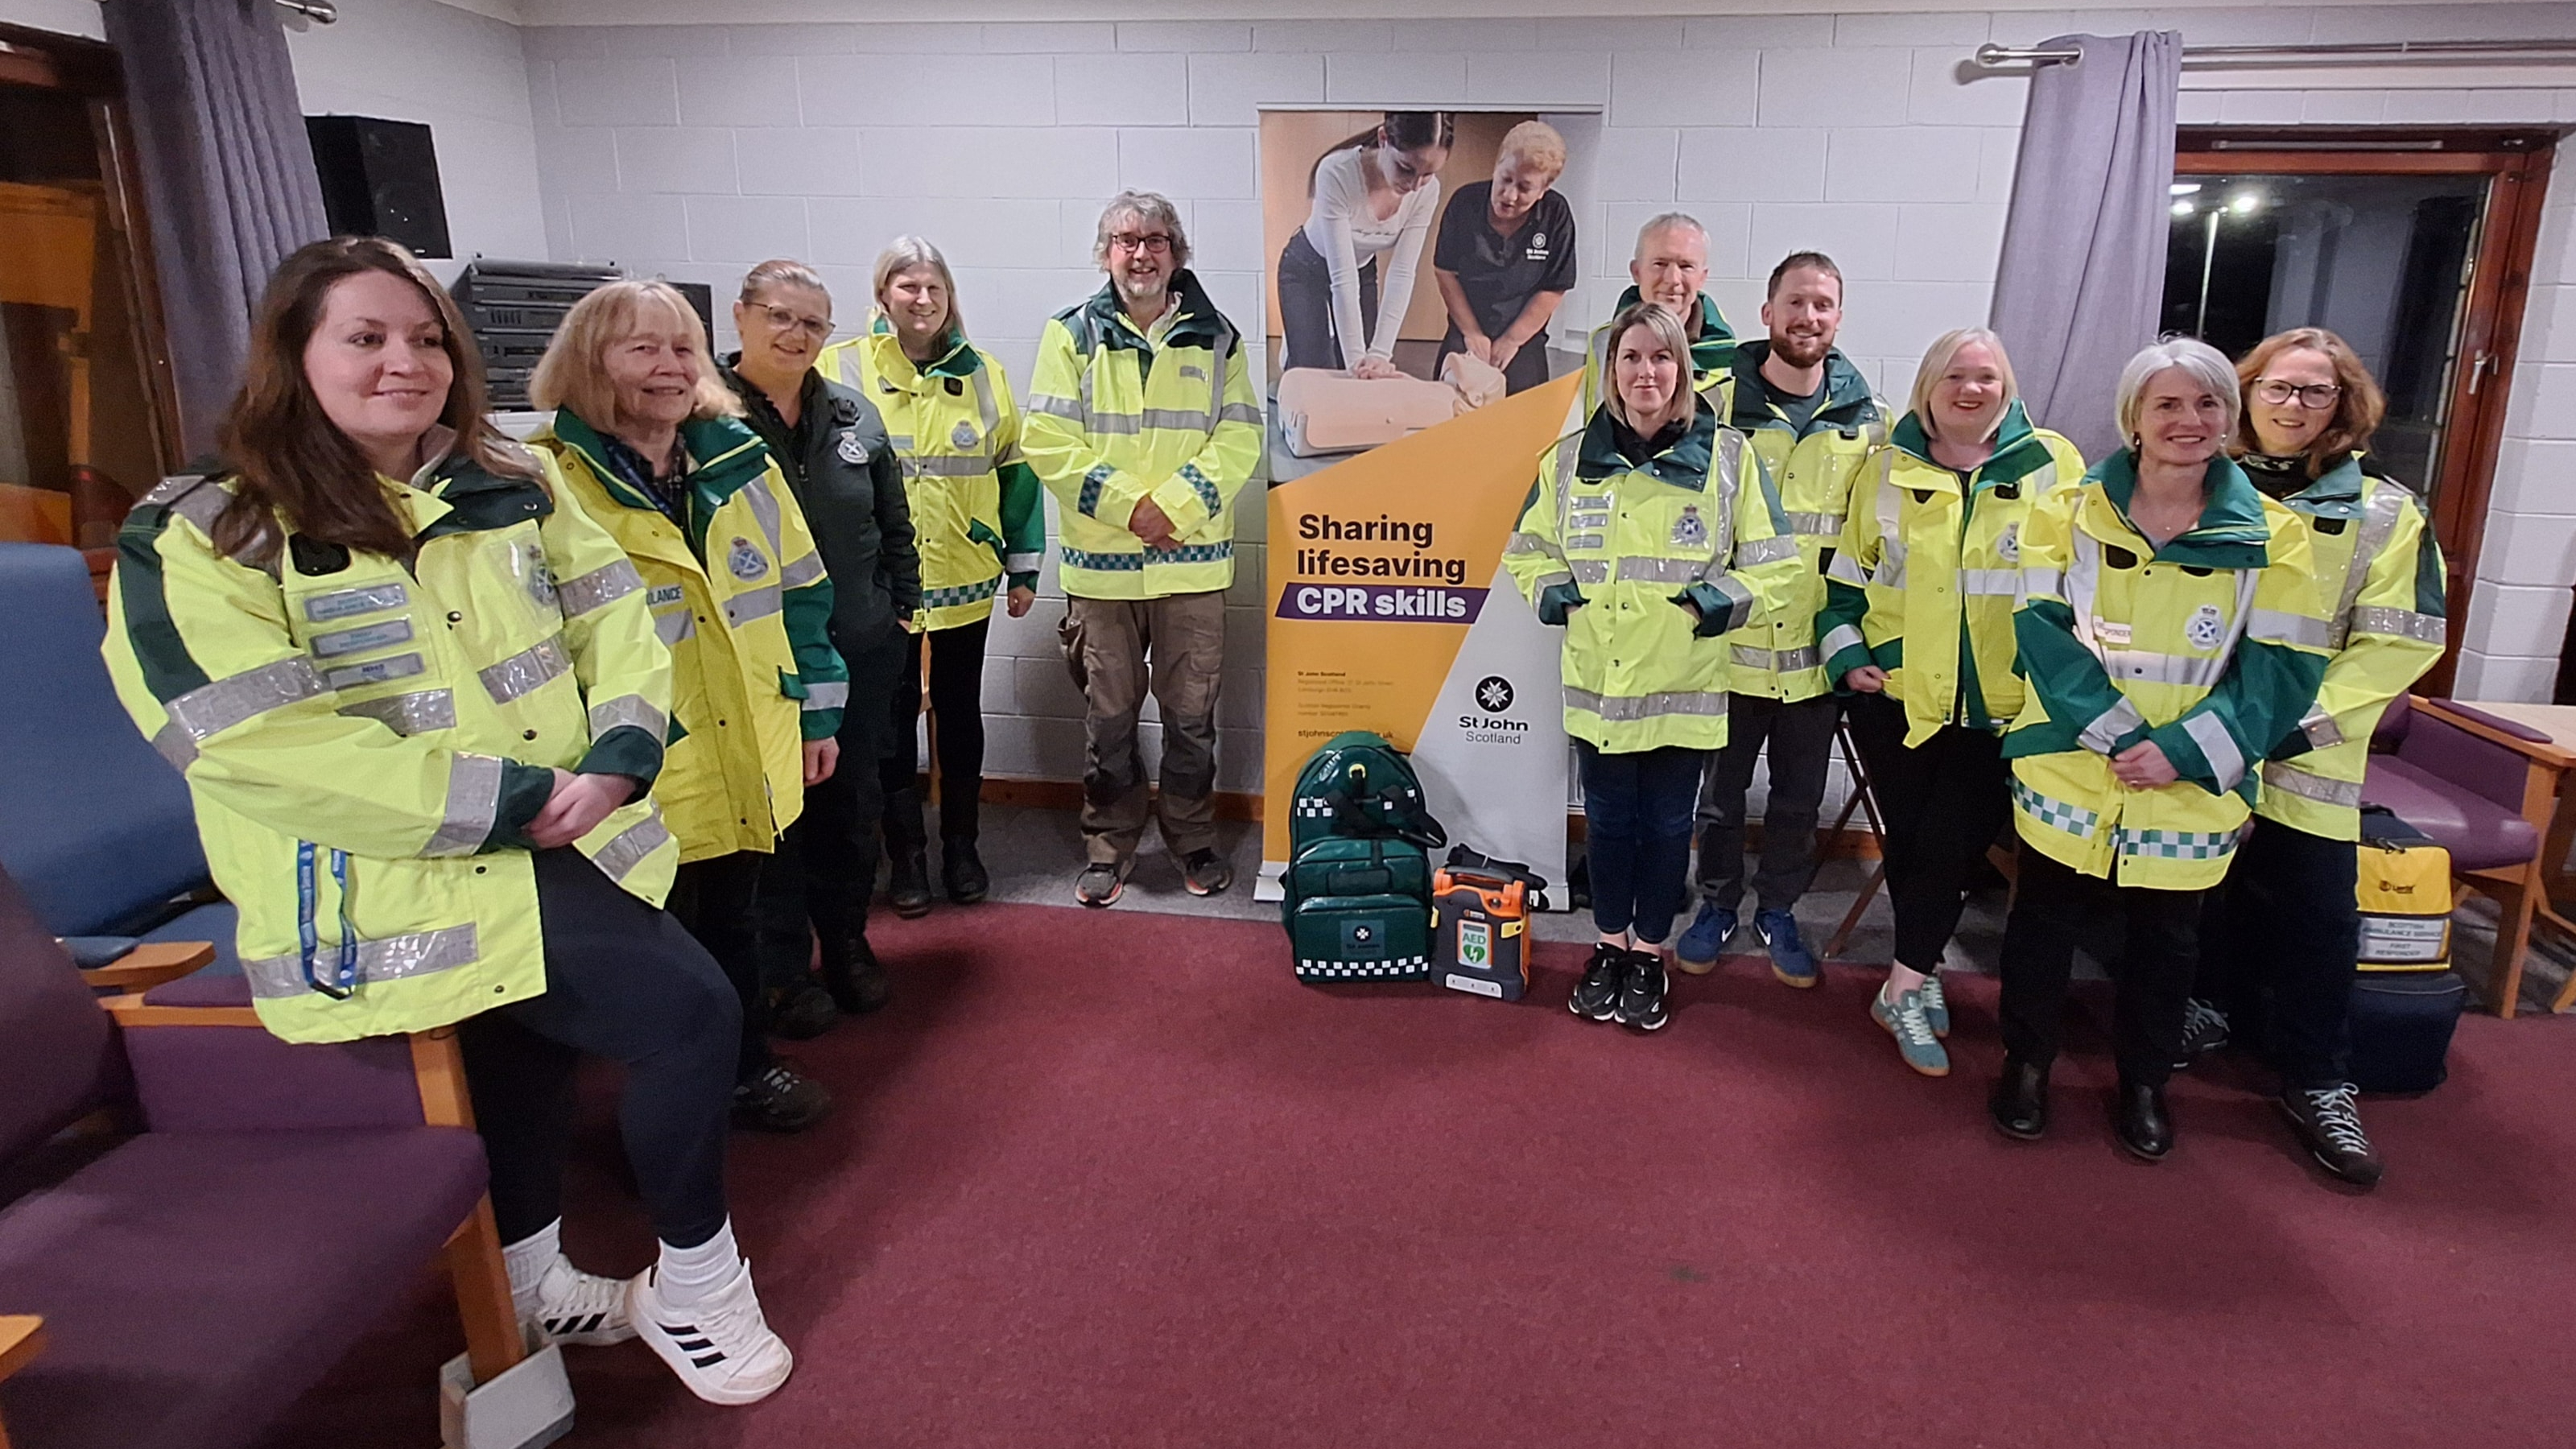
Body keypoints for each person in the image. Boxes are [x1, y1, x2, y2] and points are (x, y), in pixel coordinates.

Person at [100, 236, 792, 1404]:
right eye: (364, 338)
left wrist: (624, 752)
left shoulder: (508, 476)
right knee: (688, 1014)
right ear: (292, 355)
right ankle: (701, 1287)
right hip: (385, 876)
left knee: (525, 1056)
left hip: (565, 832)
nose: (403, 363)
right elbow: (253, 744)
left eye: (426, 340)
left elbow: (615, 617)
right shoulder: (202, 530)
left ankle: (529, 1285)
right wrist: (510, 803)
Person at [1990, 337, 2330, 1162]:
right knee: (2040, 924)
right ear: (2133, 420)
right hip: (2073, 763)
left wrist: (2177, 750)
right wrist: (2118, 736)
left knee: (2167, 942)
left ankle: (2143, 1083)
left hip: (2191, 777)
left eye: (2206, 403)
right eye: (2167, 405)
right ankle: (2025, 1064)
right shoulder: (2063, 511)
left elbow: (2283, 668)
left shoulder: (2274, 537)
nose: (2189, 420)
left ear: (2229, 416)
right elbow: (2038, 631)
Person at [528, 279, 848, 1133]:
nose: (669, 367)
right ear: (588, 363)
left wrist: (819, 715)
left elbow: (803, 593)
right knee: (649, 948)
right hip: (634, 767)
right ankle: (669, 1104)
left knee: (732, 924)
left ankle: (744, 1071)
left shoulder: (739, 461)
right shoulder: (542, 487)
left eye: (682, 348)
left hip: (746, 742)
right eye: (642, 347)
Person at [2181, 328, 2446, 1188]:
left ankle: (2318, 1079)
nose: (2292, 406)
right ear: (2244, 394)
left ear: (2343, 406)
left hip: (2305, 752)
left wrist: (2294, 724)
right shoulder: (2195, 484)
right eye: (2277, 389)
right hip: (2200, 735)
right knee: (2194, 895)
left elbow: (2399, 643)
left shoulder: (2382, 511)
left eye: (2313, 393)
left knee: (2318, 923)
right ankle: (2202, 1011)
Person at [1504, 301, 1802, 1033]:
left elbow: (1781, 571)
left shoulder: (1730, 458)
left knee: (1669, 827)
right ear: (1611, 370)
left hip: (1684, 688)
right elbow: (1527, 549)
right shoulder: (1569, 458)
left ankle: (1649, 954)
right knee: (1607, 824)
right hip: (1599, 689)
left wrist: (1708, 605)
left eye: (1661, 358)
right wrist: (1562, 600)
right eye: (1631, 357)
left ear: (1683, 370)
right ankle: (1608, 947)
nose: (1647, 371)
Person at [1821, 328, 2086, 1077]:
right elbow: (1845, 579)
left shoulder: (2053, 465)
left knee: (1951, 846)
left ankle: (1900, 984)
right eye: (1956, 377)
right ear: (1929, 388)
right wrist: (1849, 657)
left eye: (1988, 377)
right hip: (1895, 700)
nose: (1973, 390)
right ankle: (1922, 969)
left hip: (1998, 707)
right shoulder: (1884, 470)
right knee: (1910, 845)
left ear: (2009, 387)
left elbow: (2081, 587)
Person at [1023, 191, 1263, 906]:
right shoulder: (1069, 335)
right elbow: (1047, 442)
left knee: (1193, 717)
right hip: (1103, 571)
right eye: (1126, 240)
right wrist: (1133, 509)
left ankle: (1191, 838)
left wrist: (1177, 508)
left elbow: (1242, 434)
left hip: (1192, 566)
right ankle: (1110, 843)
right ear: (1106, 254)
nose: (1141, 252)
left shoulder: (1217, 335)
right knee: (1109, 719)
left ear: (1176, 252)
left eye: (1156, 239)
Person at [718, 259, 918, 1040]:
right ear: (741, 317)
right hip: (757, 663)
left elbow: (893, 524)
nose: (796, 335)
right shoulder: (703, 422)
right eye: (780, 317)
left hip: (860, 647)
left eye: (812, 323)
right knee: (774, 820)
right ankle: (779, 970)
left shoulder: (851, 418)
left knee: (849, 805)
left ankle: (846, 943)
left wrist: (900, 609)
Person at [1675, 252, 1885, 983]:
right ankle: (1717, 904)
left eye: (1823, 304)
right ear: (1767, 314)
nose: (1809, 317)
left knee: (1800, 799)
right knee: (1722, 796)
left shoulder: (1870, 423)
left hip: (1817, 653)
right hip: (1730, 645)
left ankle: (1780, 910)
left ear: (1838, 316)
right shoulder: (1714, 405)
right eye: (1795, 303)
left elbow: (1875, 545)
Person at [818, 237, 1042, 916]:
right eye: (908, 286)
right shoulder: (841, 368)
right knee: (889, 725)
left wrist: (1024, 564)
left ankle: (962, 848)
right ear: (884, 295)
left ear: (949, 299)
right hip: (881, 589)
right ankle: (908, 857)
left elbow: (1017, 473)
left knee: (959, 713)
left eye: (934, 288)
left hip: (965, 578)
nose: (922, 299)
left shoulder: (984, 373)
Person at [1278, 112, 1455, 378]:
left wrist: (1379, 356)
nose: (1415, 185)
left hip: (1361, 271)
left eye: (1428, 174)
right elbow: (1342, 277)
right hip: (1306, 269)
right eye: (1406, 169)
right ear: (1384, 138)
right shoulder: (1336, 171)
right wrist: (1356, 366)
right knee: (1319, 375)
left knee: (1366, 367)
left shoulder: (1427, 192)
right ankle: (1297, 349)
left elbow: (1402, 273)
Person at [1430, 120, 1575, 396]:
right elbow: (1445, 271)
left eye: (1525, 188)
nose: (1509, 195)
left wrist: (1512, 340)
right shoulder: (1465, 203)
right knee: (1451, 412)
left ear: (1544, 189)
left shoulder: (1556, 214)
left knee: (1522, 423)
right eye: (1505, 179)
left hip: (1523, 336)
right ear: (1496, 166)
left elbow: (1555, 286)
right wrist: (1472, 334)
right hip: (1467, 327)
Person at [1572, 213, 1736, 420]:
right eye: (1660, 264)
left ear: (1702, 277)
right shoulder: (1601, 344)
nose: (1672, 279)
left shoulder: (1724, 353)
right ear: (1636, 271)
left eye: (1686, 266)